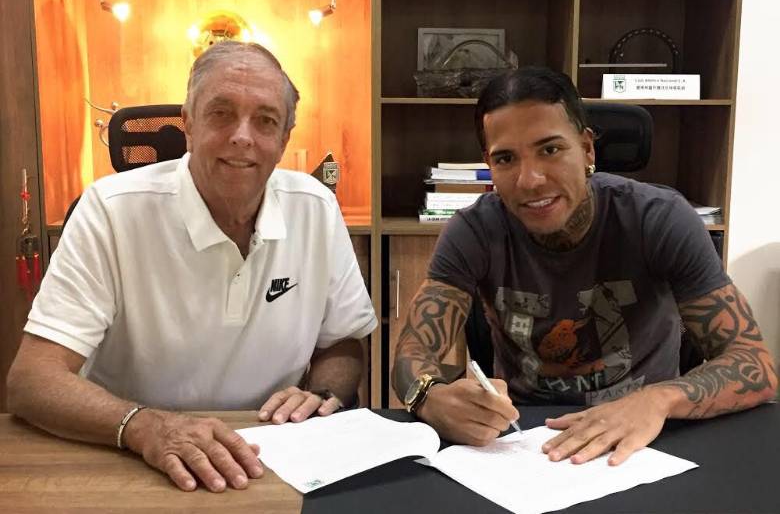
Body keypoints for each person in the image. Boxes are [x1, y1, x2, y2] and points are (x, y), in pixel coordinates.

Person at [7, 40, 377, 492]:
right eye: (221, 113)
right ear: (189, 124)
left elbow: (343, 341)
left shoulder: (316, 208)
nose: (242, 136)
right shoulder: (110, 210)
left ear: (284, 139)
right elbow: (33, 379)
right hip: (130, 457)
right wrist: (146, 427)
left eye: (265, 120)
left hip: (269, 458)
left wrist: (321, 395)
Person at [393, 66, 777, 466]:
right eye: (506, 158)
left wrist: (659, 399)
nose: (530, 180)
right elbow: (413, 351)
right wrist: (429, 395)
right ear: (489, 164)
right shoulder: (474, 231)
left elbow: (754, 363)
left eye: (550, 150)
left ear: (587, 149)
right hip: (526, 441)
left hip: (644, 436)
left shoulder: (659, 219)